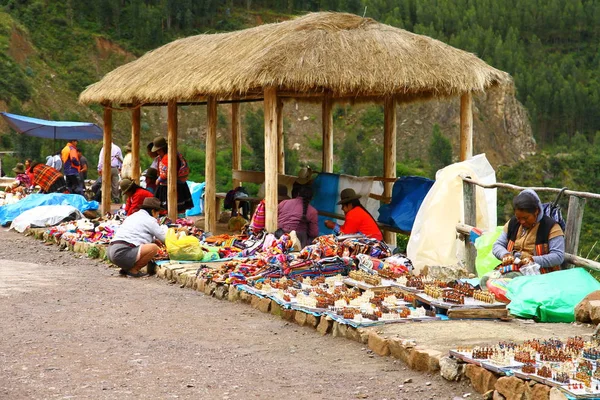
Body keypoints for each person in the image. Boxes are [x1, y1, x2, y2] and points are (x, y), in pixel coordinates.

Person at [481, 189, 565, 287]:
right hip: (513, 268)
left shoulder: (551, 227)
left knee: (499, 284)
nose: (522, 222)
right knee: (485, 280)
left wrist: (533, 260)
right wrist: (505, 255)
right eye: (518, 218)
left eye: (525, 218)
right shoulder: (512, 223)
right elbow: (498, 245)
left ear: (536, 211)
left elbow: (558, 256)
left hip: (538, 274)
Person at [107, 197, 167, 278]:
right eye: (158, 213)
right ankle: (133, 271)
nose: (158, 215)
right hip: (121, 252)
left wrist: (154, 240)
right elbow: (164, 238)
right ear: (153, 211)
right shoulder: (150, 220)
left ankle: (126, 269)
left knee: (149, 245)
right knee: (153, 248)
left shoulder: (133, 216)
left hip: (111, 251)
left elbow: (137, 233)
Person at [152, 136, 193, 214]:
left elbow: (166, 172)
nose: (157, 152)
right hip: (179, 185)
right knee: (178, 209)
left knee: (168, 208)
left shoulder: (167, 157)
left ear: (162, 149)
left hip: (170, 186)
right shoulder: (175, 154)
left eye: (158, 150)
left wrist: (158, 180)